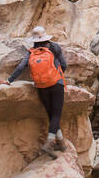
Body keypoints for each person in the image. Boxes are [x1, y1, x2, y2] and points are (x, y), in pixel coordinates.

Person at [6, 26, 68, 155]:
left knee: (51, 114)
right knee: (56, 114)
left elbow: (21, 67)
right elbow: (64, 64)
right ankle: (50, 143)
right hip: (56, 83)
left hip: (41, 86)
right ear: (46, 36)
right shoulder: (54, 47)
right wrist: (56, 75)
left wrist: (9, 80)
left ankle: (61, 142)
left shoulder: (32, 51)